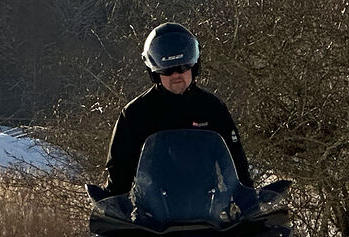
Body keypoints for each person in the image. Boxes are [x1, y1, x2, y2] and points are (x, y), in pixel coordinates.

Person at [103, 22, 254, 196]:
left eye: (182, 67)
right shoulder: (135, 114)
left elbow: (237, 166)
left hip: (208, 211)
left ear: (194, 66)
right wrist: (110, 210)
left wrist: (249, 204)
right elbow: (119, 172)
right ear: (154, 72)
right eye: (167, 70)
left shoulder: (213, 108)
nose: (176, 75)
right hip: (149, 217)